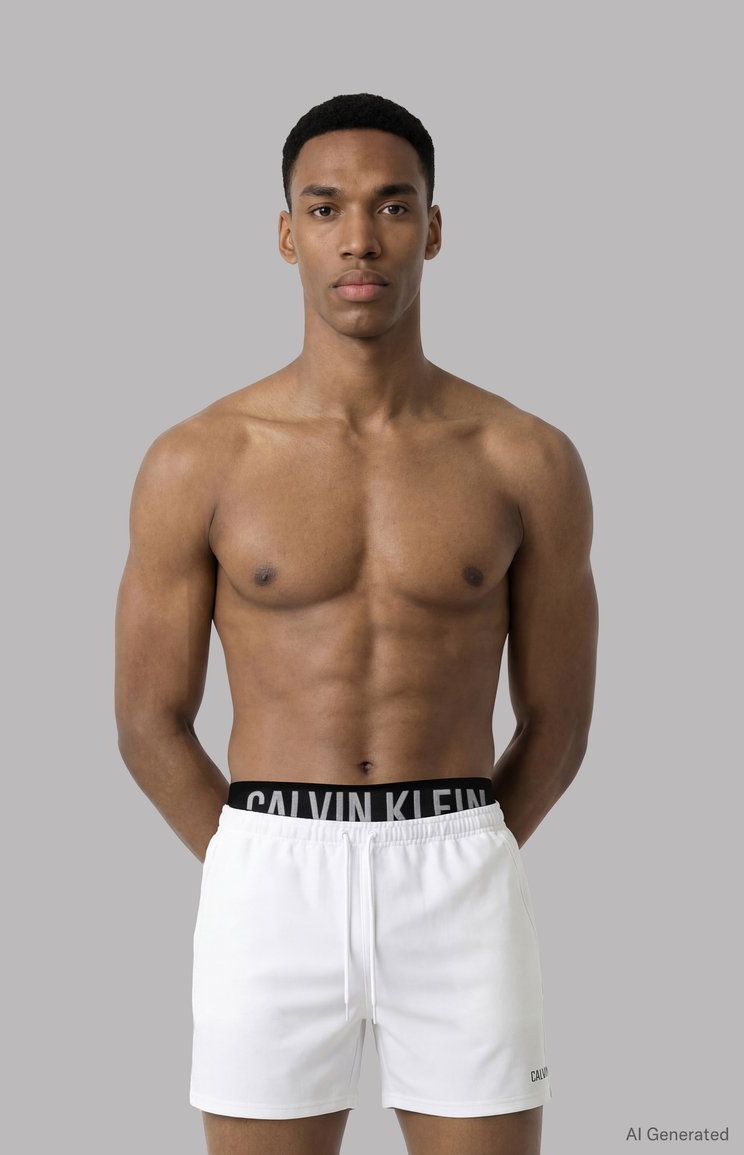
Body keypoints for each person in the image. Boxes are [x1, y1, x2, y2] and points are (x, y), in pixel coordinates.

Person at [114, 92, 599, 1155]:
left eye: (391, 205)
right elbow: (148, 720)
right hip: (267, 875)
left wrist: (458, 849)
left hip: (458, 871)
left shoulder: (524, 458)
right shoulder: (199, 459)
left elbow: (558, 721)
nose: (359, 239)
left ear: (433, 227)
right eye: (325, 207)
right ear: (288, 233)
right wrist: (257, 858)